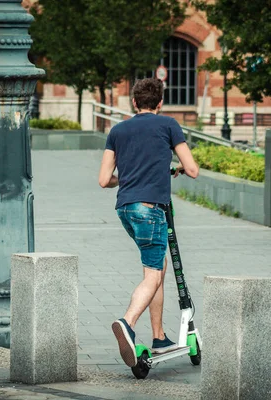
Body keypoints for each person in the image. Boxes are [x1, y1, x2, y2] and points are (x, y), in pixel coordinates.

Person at [98, 78, 199, 367]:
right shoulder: (168, 124)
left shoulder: (117, 130)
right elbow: (192, 169)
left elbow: (105, 180)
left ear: (133, 102)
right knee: (154, 275)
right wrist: (178, 167)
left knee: (156, 267)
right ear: (160, 103)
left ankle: (159, 337)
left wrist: (128, 179)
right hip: (151, 210)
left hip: (126, 209)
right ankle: (127, 323)